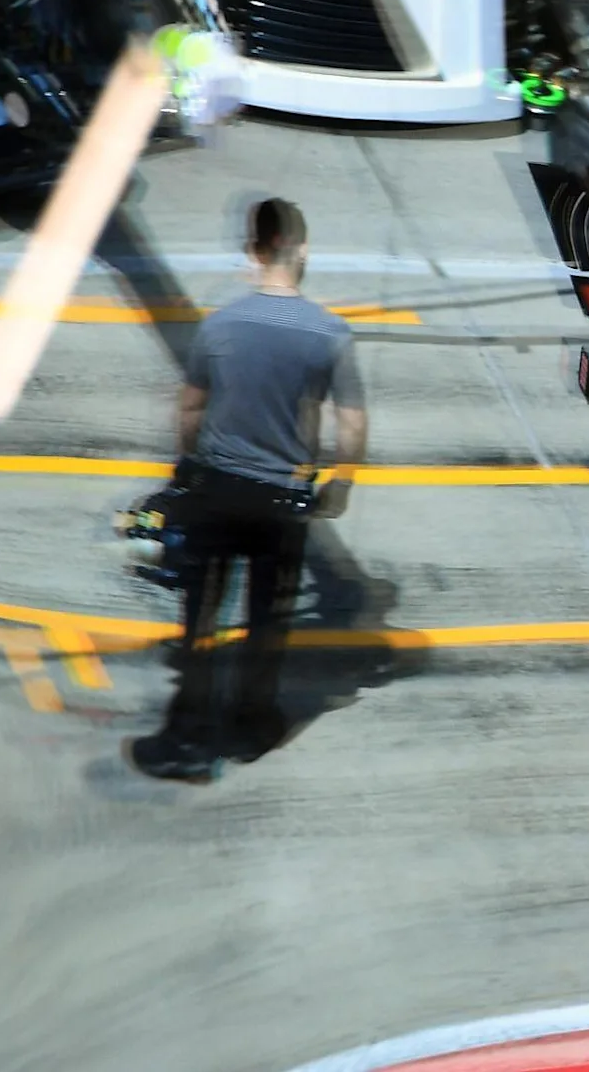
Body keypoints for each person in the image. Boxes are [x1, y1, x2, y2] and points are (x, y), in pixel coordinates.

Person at [130, 199, 370, 783]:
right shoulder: (329, 333)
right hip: (281, 500)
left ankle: (186, 738)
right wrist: (339, 486)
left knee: (202, 613)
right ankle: (250, 729)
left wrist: (186, 471)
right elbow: (352, 423)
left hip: (217, 489)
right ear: (302, 250)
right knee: (267, 618)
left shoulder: (220, 325)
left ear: (253, 252)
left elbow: (191, 409)